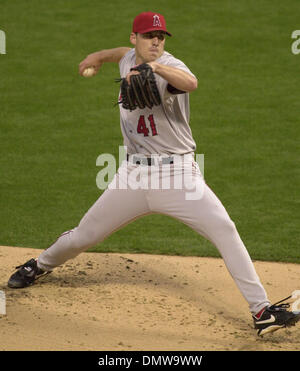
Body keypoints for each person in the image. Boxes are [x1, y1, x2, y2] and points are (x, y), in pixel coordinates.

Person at [8, 11, 299, 337]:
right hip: (133, 175)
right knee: (84, 235)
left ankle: (262, 312)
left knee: (224, 228)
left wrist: (157, 67)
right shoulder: (129, 58)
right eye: (149, 36)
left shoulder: (171, 67)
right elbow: (121, 54)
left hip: (178, 176)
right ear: (136, 38)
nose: (156, 41)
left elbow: (191, 83)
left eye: (160, 37)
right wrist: (99, 56)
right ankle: (39, 265)